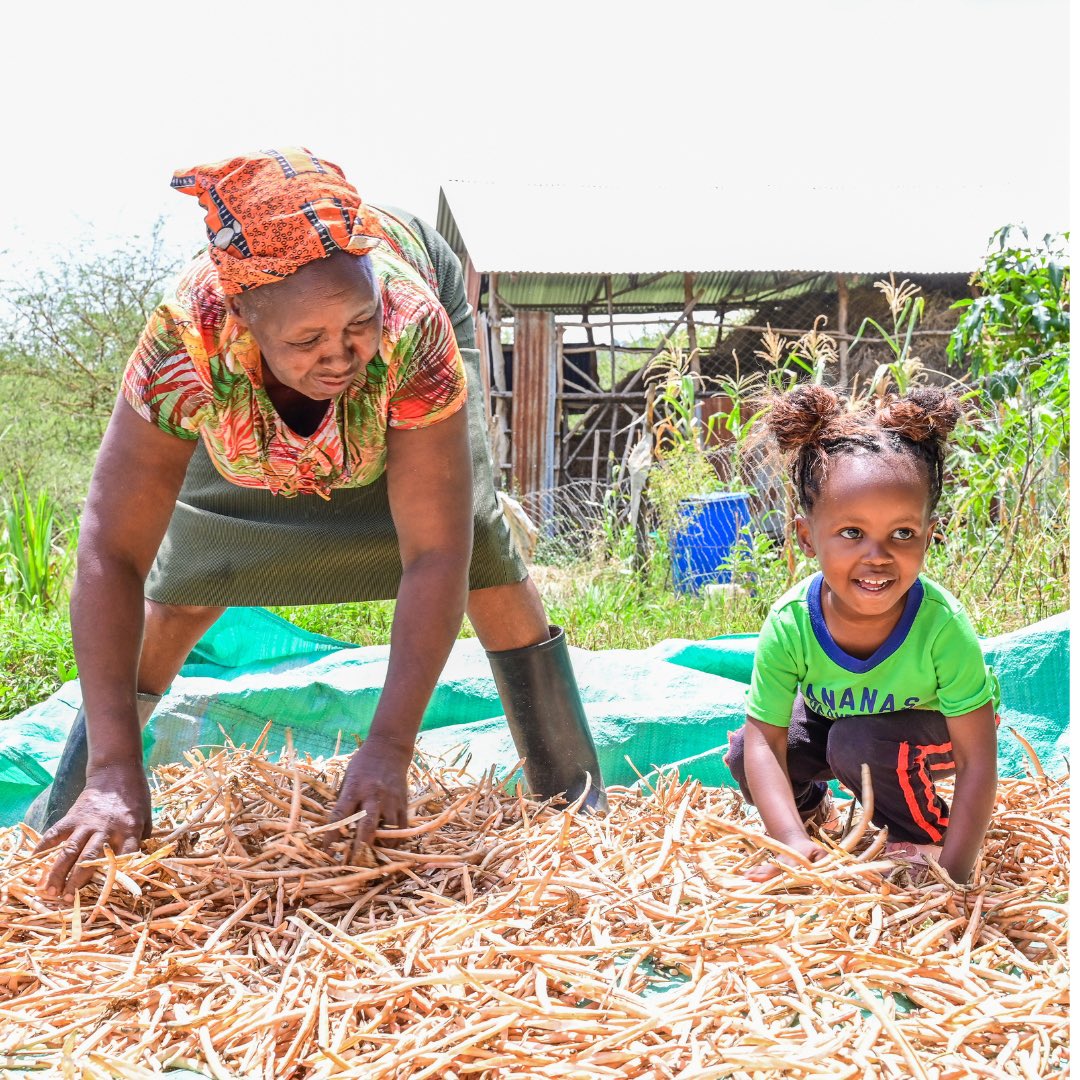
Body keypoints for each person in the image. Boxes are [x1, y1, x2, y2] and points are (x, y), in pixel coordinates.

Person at [30, 148, 606, 898]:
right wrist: (115, 767)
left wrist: (390, 745)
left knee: (485, 562)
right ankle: (91, 795)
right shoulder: (189, 340)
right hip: (244, 427)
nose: (340, 357)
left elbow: (437, 552)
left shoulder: (409, 329)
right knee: (183, 591)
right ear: (243, 318)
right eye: (307, 342)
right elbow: (110, 550)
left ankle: (577, 799)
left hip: (403, 404)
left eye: (356, 323)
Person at [724, 383, 999, 885]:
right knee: (746, 748)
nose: (877, 556)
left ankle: (919, 835)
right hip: (848, 727)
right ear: (808, 538)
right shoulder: (791, 623)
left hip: (932, 732)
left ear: (928, 534)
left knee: (858, 741)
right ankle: (811, 825)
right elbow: (766, 739)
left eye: (902, 534)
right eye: (852, 533)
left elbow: (976, 758)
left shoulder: (942, 626)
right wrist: (785, 840)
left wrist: (956, 875)